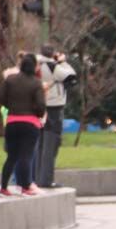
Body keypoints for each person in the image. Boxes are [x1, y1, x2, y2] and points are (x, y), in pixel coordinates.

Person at [0, 53, 46, 197]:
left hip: (12, 121)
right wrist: (37, 114)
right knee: (26, 155)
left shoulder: (10, 80)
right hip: (30, 123)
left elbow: (1, 98)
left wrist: (12, 107)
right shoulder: (36, 83)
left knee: (11, 156)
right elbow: (41, 104)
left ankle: (4, 188)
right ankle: (25, 186)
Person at [33, 45, 76, 188]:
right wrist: (63, 62)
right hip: (53, 107)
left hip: (39, 106)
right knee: (51, 145)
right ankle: (46, 180)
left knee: (40, 144)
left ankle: (37, 178)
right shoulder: (52, 66)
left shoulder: (36, 64)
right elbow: (70, 75)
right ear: (52, 54)